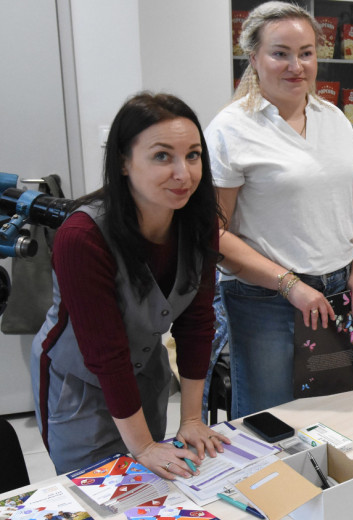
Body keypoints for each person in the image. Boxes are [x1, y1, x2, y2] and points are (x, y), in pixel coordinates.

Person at [31, 92, 229, 477]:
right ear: (123, 161)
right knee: (97, 489)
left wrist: (190, 419)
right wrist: (143, 447)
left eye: (192, 155)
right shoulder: (82, 236)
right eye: (162, 156)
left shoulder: (198, 221)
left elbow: (197, 325)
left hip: (143, 374)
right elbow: (106, 354)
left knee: (150, 484)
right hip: (80, 385)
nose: (183, 174)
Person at [205, 1, 353, 418]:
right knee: (270, 417)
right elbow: (215, 231)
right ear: (255, 58)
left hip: (337, 292)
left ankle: (323, 483)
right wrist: (289, 285)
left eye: (306, 53)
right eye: (280, 53)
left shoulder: (333, 117)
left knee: (333, 409)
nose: (295, 66)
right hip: (264, 299)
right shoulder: (231, 128)